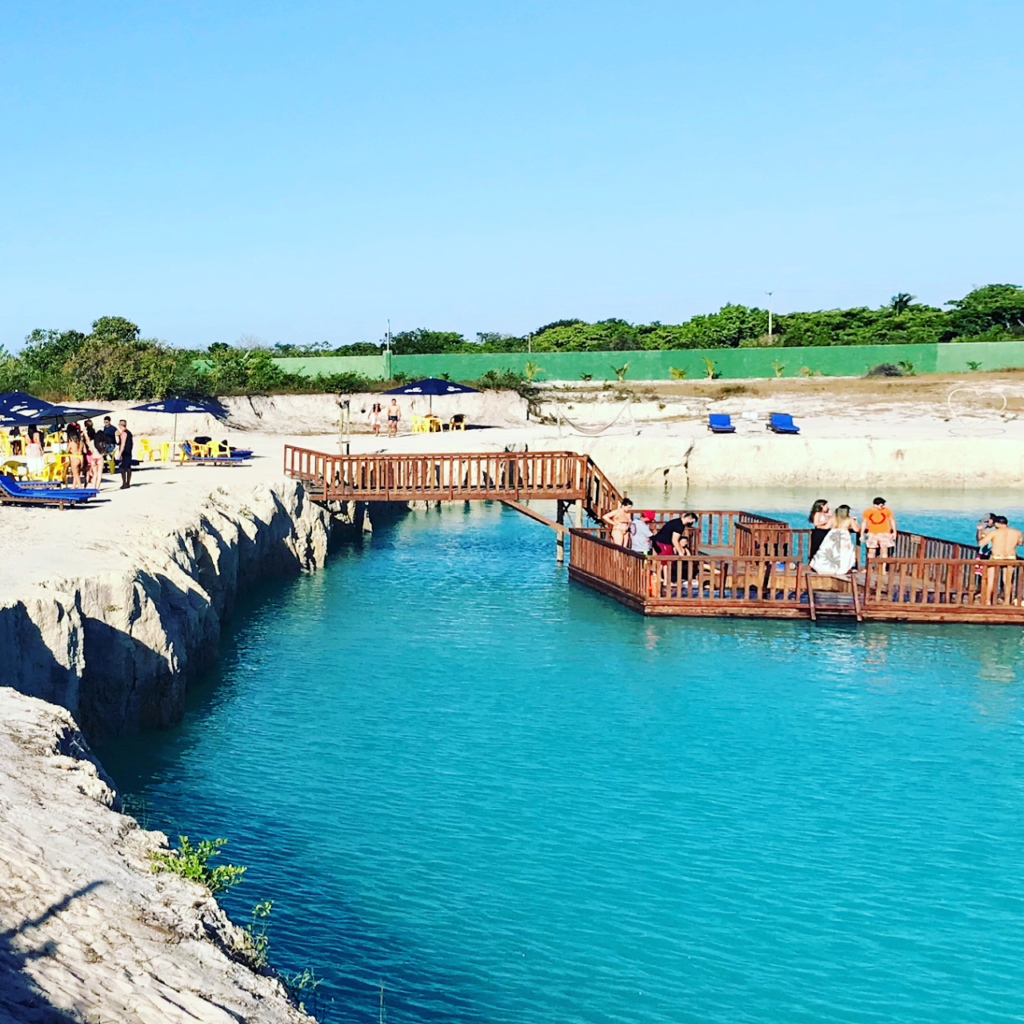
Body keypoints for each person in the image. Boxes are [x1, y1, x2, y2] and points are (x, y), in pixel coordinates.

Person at [979, 515, 1023, 605]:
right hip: (1010, 557)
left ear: (997, 524)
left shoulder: (994, 532)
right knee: (1007, 581)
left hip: (996, 557)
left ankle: (987, 601)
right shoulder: (1017, 532)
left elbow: (981, 543)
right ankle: (1006, 601)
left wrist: (981, 531)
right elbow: (1020, 542)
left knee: (990, 580)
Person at [809, 504, 859, 576]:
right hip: (844, 536)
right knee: (844, 553)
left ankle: (825, 568)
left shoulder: (833, 518)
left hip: (832, 535)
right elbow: (856, 529)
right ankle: (841, 569)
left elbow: (826, 527)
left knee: (829, 551)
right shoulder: (850, 520)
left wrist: (818, 526)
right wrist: (857, 524)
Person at [82, 419, 103, 489]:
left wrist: (85, 433)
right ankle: (97, 488)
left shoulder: (91, 442)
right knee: (99, 474)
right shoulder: (99, 443)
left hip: (93, 457)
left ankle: (93, 488)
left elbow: (87, 440)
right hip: (99, 457)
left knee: (94, 474)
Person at [116, 419, 134, 489]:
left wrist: (120, 453)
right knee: (128, 467)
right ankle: (128, 483)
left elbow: (122, 444)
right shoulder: (129, 433)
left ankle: (124, 483)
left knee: (122, 467)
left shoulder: (124, 433)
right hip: (129, 451)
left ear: (121, 425)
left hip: (125, 452)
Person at [66, 423, 85, 488]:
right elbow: (85, 450)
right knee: (77, 473)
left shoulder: (71, 443)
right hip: (80, 457)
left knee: (75, 474)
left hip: (74, 458)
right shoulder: (81, 442)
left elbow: (67, 451)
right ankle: (73, 486)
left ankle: (80, 486)